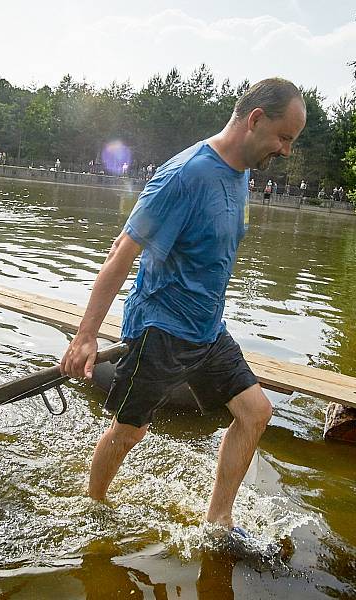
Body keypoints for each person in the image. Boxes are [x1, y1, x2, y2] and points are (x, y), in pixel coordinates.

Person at [60, 78, 306, 531]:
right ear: (255, 120)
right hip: (160, 328)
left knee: (256, 413)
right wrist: (87, 333)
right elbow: (121, 253)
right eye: (284, 138)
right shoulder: (184, 175)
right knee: (130, 430)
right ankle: (92, 505)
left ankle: (218, 521)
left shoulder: (242, 173)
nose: (286, 151)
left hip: (207, 329)